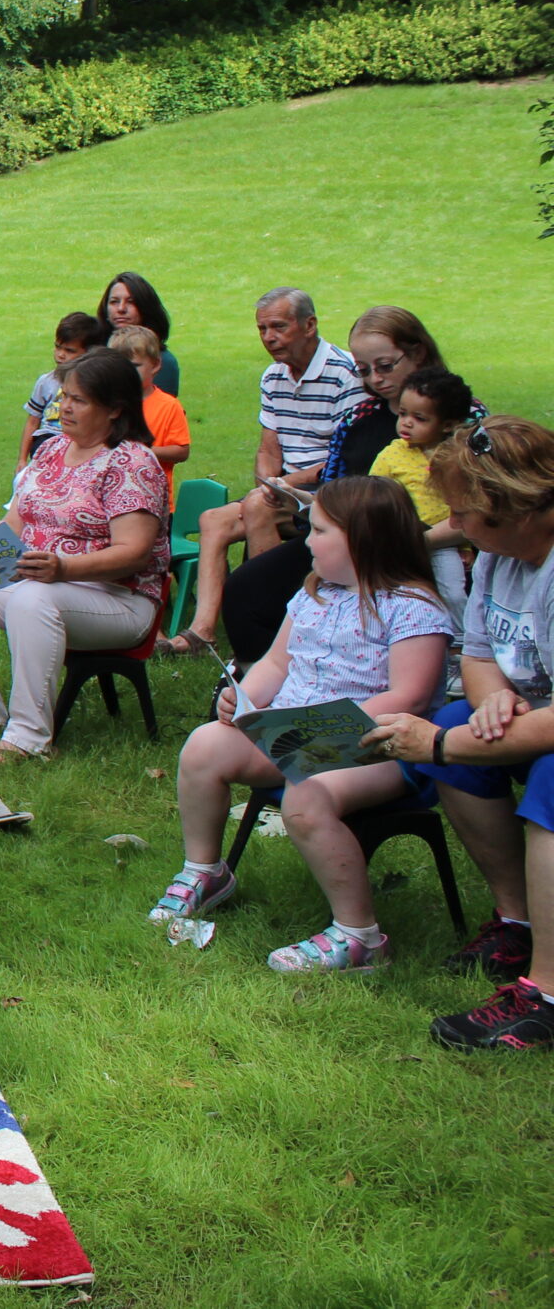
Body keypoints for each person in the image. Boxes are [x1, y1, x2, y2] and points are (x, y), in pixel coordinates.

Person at [150, 478, 452, 971]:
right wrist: (244, 697)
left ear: (363, 541)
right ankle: (205, 870)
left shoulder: (413, 608)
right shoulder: (315, 594)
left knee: (307, 793)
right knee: (206, 744)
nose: (306, 542)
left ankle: (360, 936)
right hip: (291, 736)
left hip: (377, 748)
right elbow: (275, 664)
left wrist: (322, 730)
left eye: (319, 532)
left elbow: (411, 694)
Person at [358, 419, 554, 1049]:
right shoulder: (499, 556)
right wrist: (493, 700)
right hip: (530, 711)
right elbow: (476, 651)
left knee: (546, 778)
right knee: (454, 722)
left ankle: (544, 996)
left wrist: (439, 746)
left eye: (468, 515)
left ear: (520, 506)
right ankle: (517, 919)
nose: (458, 528)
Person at [0, 347, 169, 763]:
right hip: (46, 587)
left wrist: (64, 568)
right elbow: (13, 527)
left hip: (119, 601)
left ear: (113, 409)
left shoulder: (133, 462)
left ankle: (28, 738)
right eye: (65, 396)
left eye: (78, 399)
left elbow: (134, 553)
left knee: (32, 597)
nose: (64, 406)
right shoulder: (52, 450)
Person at [164, 298, 401, 659]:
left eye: (278, 327)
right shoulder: (273, 376)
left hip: (326, 490)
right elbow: (268, 448)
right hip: (285, 487)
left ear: (310, 325)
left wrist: (283, 485)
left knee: (259, 505)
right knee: (213, 519)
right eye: (262, 329)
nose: (268, 337)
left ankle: (276, 624)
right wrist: (269, 480)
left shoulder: (345, 373)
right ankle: (204, 630)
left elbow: (341, 459)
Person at [375, 368, 474, 615]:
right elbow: (373, 493)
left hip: (444, 543)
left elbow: (467, 508)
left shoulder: (456, 457)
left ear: (448, 425)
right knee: (401, 593)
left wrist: (465, 547)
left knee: (452, 593)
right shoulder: (392, 454)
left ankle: (458, 643)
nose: (406, 422)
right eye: (403, 413)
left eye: (420, 418)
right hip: (400, 541)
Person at [106, 325, 188, 505]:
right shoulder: (107, 403)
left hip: (154, 499)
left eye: (134, 366)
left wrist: (140, 451)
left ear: (155, 365)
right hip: (109, 496)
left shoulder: (168, 405)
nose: (126, 372)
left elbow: (181, 451)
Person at [20, 314, 103, 466]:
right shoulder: (46, 382)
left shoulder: (95, 385)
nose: (60, 354)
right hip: (48, 439)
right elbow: (32, 421)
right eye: (58, 347)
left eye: (70, 350)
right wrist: (22, 460)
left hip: (79, 440)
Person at [96, 271, 181, 396]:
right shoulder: (92, 352)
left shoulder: (164, 362)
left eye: (130, 302)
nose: (121, 309)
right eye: (114, 301)